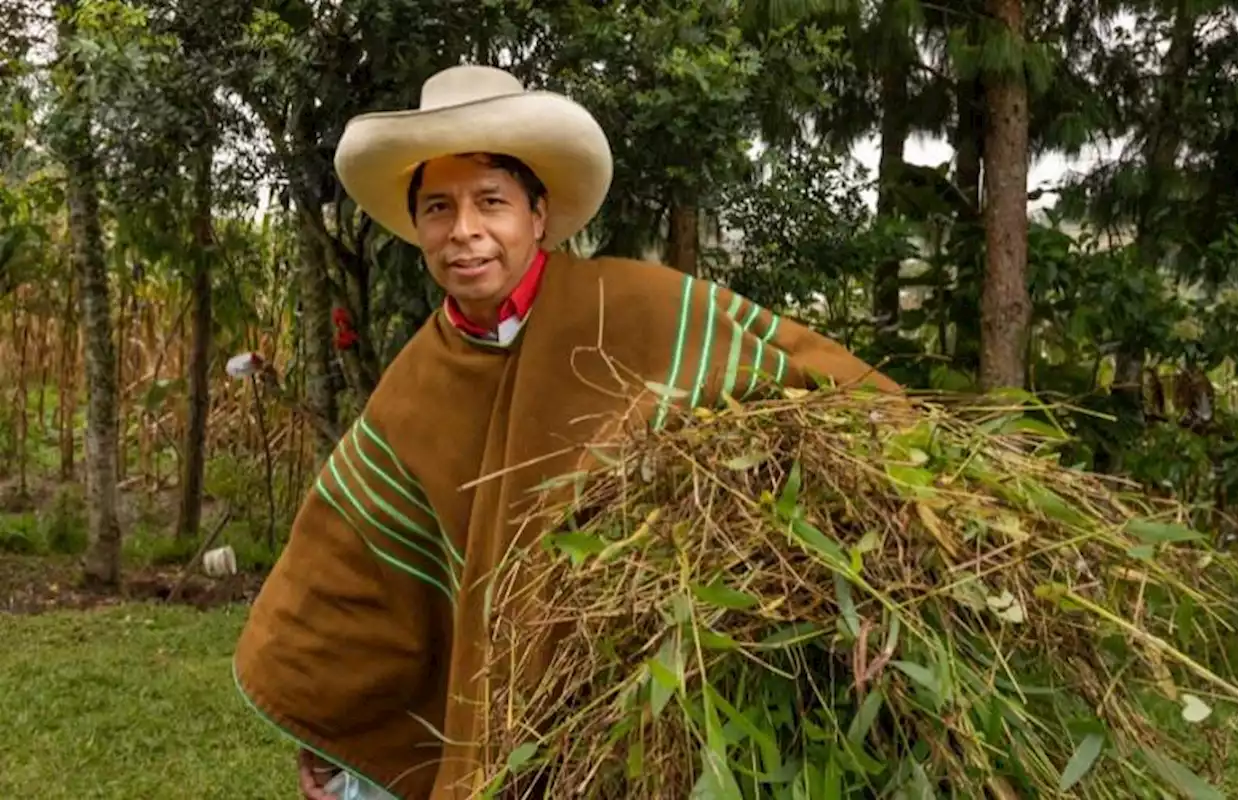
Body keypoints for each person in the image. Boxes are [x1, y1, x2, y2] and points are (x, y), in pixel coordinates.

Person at [232, 65, 900, 800]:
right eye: (438, 208)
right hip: (495, 708)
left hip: (639, 704)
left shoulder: (637, 309)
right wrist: (334, 735)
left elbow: (805, 374)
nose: (465, 232)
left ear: (538, 214)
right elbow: (354, 566)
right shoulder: (418, 382)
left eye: (492, 202)